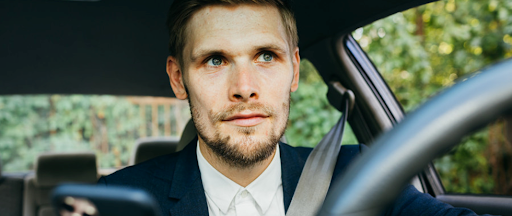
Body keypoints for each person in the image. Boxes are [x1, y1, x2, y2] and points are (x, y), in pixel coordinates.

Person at [98, 0, 488, 215]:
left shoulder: (357, 173)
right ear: (179, 79)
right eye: (215, 60)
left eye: (266, 56)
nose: (245, 89)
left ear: (295, 70)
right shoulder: (120, 199)